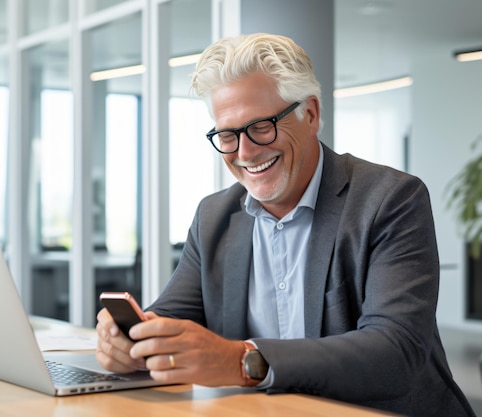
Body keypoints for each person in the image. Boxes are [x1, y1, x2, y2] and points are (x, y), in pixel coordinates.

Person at [95, 33, 475, 417]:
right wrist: (136, 342)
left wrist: (241, 360)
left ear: (310, 114)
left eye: (261, 126)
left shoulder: (390, 199)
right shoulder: (214, 216)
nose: (245, 153)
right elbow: (172, 316)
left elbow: (396, 351)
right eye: (227, 135)